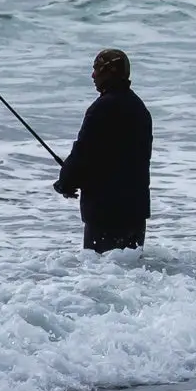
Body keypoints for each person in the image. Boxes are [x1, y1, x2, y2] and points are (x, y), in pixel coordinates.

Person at [53, 47, 153, 252]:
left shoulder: (102, 108)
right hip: (135, 209)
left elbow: (84, 152)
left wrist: (65, 182)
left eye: (97, 68)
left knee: (101, 273)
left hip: (105, 211)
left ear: (110, 72)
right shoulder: (139, 108)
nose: (93, 75)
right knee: (130, 273)